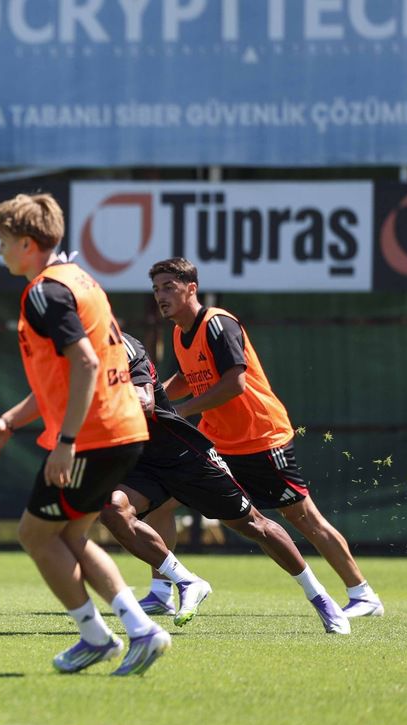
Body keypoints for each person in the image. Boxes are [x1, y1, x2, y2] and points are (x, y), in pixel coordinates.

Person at [0, 193, 170, 676]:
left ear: (26, 243)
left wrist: (66, 443)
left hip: (93, 436)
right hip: (123, 430)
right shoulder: (81, 282)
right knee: (72, 537)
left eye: (2, 239)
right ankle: (127, 631)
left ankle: (106, 635)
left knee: (35, 535)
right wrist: (9, 423)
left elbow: (85, 363)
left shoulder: (43, 291)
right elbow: (61, 379)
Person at [149, 257, 382, 620]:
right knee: (162, 502)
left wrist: (179, 412)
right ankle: (162, 589)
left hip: (261, 437)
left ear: (190, 288)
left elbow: (234, 383)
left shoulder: (218, 324)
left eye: (168, 287)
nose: (160, 295)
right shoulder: (181, 333)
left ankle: (362, 594)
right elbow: (188, 374)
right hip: (219, 440)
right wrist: (157, 395)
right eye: (156, 289)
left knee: (304, 518)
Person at [98, 331, 351, 633]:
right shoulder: (71, 356)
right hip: (142, 463)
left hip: (184, 456)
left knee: (254, 525)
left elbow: (145, 402)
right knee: (113, 510)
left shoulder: (120, 344)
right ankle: (185, 581)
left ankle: (320, 597)